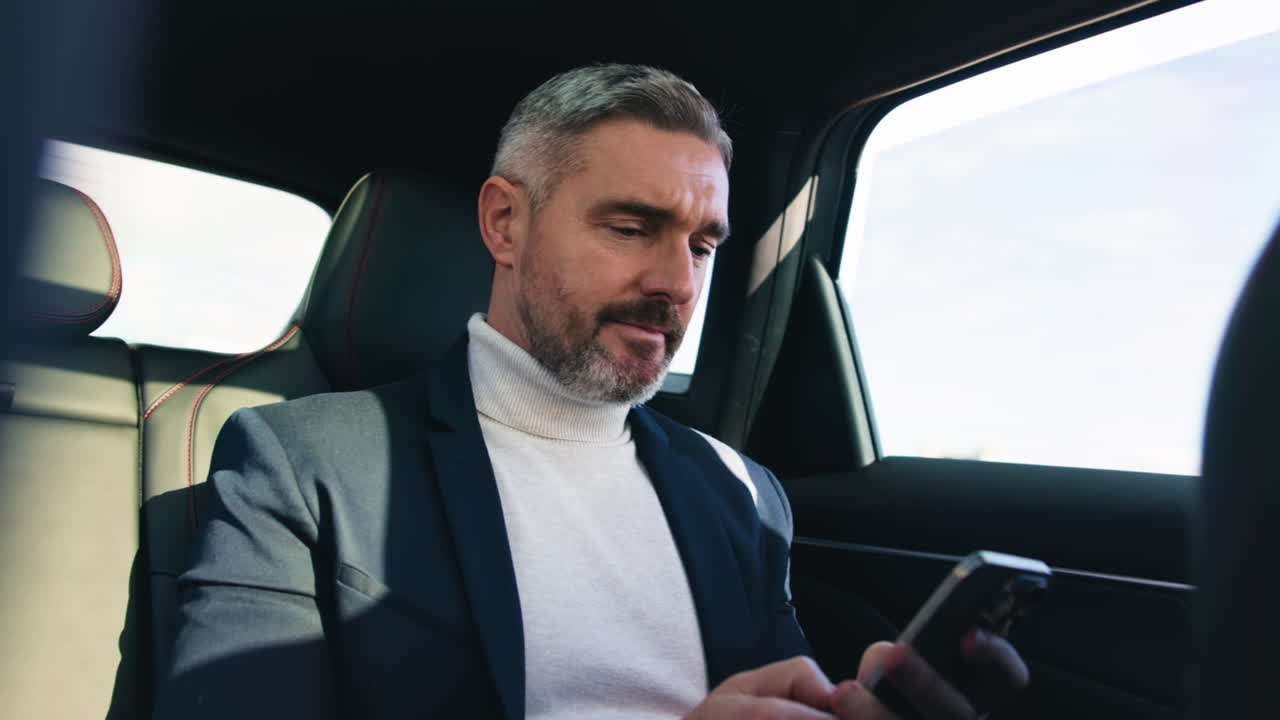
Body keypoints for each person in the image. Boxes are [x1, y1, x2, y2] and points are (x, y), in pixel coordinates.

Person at [154, 64, 1026, 719]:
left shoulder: (742, 493)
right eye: (631, 226)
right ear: (505, 222)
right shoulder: (302, 461)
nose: (676, 281)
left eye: (703, 246)